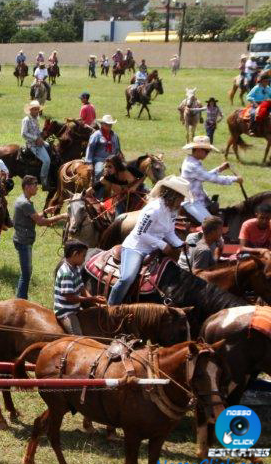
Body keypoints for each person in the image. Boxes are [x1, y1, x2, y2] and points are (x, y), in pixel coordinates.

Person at [108, 176, 190, 305]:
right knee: (127, 278)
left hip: (153, 249)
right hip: (136, 248)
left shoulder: (172, 211)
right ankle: (111, 307)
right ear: (173, 196)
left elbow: (169, 232)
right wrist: (163, 245)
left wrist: (180, 244)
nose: (182, 201)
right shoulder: (154, 209)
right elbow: (141, 233)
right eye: (181, 197)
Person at [12, 175, 68, 299]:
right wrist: (62, 216)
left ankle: (21, 298)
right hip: (23, 241)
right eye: (34, 184)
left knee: (26, 272)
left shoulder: (23, 200)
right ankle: (20, 299)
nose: (37, 187)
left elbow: (33, 216)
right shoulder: (25, 203)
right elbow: (40, 222)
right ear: (27, 187)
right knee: (26, 274)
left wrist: (45, 212)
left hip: (22, 239)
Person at [180, 136, 241, 224]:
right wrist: (235, 179)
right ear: (198, 150)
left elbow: (204, 176)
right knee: (212, 225)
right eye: (207, 151)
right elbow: (212, 179)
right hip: (192, 202)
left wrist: (219, 169)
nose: (208, 153)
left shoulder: (193, 162)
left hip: (199, 199)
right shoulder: (192, 166)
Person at [54, 240, 105, 334]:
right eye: (83, 256)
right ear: (75, 254)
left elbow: (82, 287)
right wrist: (92, 299)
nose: (84, 259)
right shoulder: (66, 273)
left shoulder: (76, 267)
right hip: (67, 312)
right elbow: (70, 298)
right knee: (78, 337)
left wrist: (94, 301)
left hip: (75, 308)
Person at [21, 100, 51, 188]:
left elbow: (37, 130)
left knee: (50, 145)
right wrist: (36, 138)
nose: (37, 111)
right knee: (47, 160)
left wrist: (42, 133)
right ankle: (43, 180)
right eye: (35, 109)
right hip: (32, 144)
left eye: (38, 109)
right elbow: (23, 133)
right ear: (30, 110)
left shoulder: (36, 118)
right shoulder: (26, 120)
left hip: (39, 141)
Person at [84, 115, 122, 182]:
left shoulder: (115, 135)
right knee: (99, 172)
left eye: (110, 124)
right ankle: (95, 190)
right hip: (100, 160)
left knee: (126, 170)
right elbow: (90, 149)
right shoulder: (96, 135)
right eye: (107, 124)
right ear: (102, 124)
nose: (109, 126)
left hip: (113, 160)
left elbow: (117, 149)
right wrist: (89, 163)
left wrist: (119, 155)